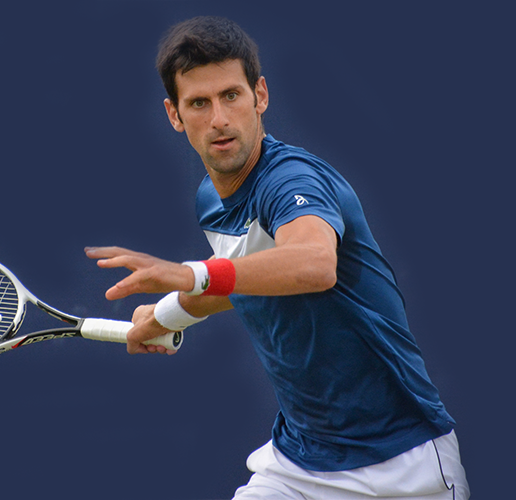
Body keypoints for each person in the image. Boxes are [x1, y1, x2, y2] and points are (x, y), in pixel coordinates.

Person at [85, 16, 469, 500]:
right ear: (174, 115)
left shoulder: (291, 181)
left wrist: (189, 274)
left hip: (403, 463)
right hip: (299, 461)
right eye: (199, 103)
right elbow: (246, 280)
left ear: (260, 96)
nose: (219, 118)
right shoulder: (210, 199)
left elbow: (313, 265)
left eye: (231, 95)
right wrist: (165, 315)